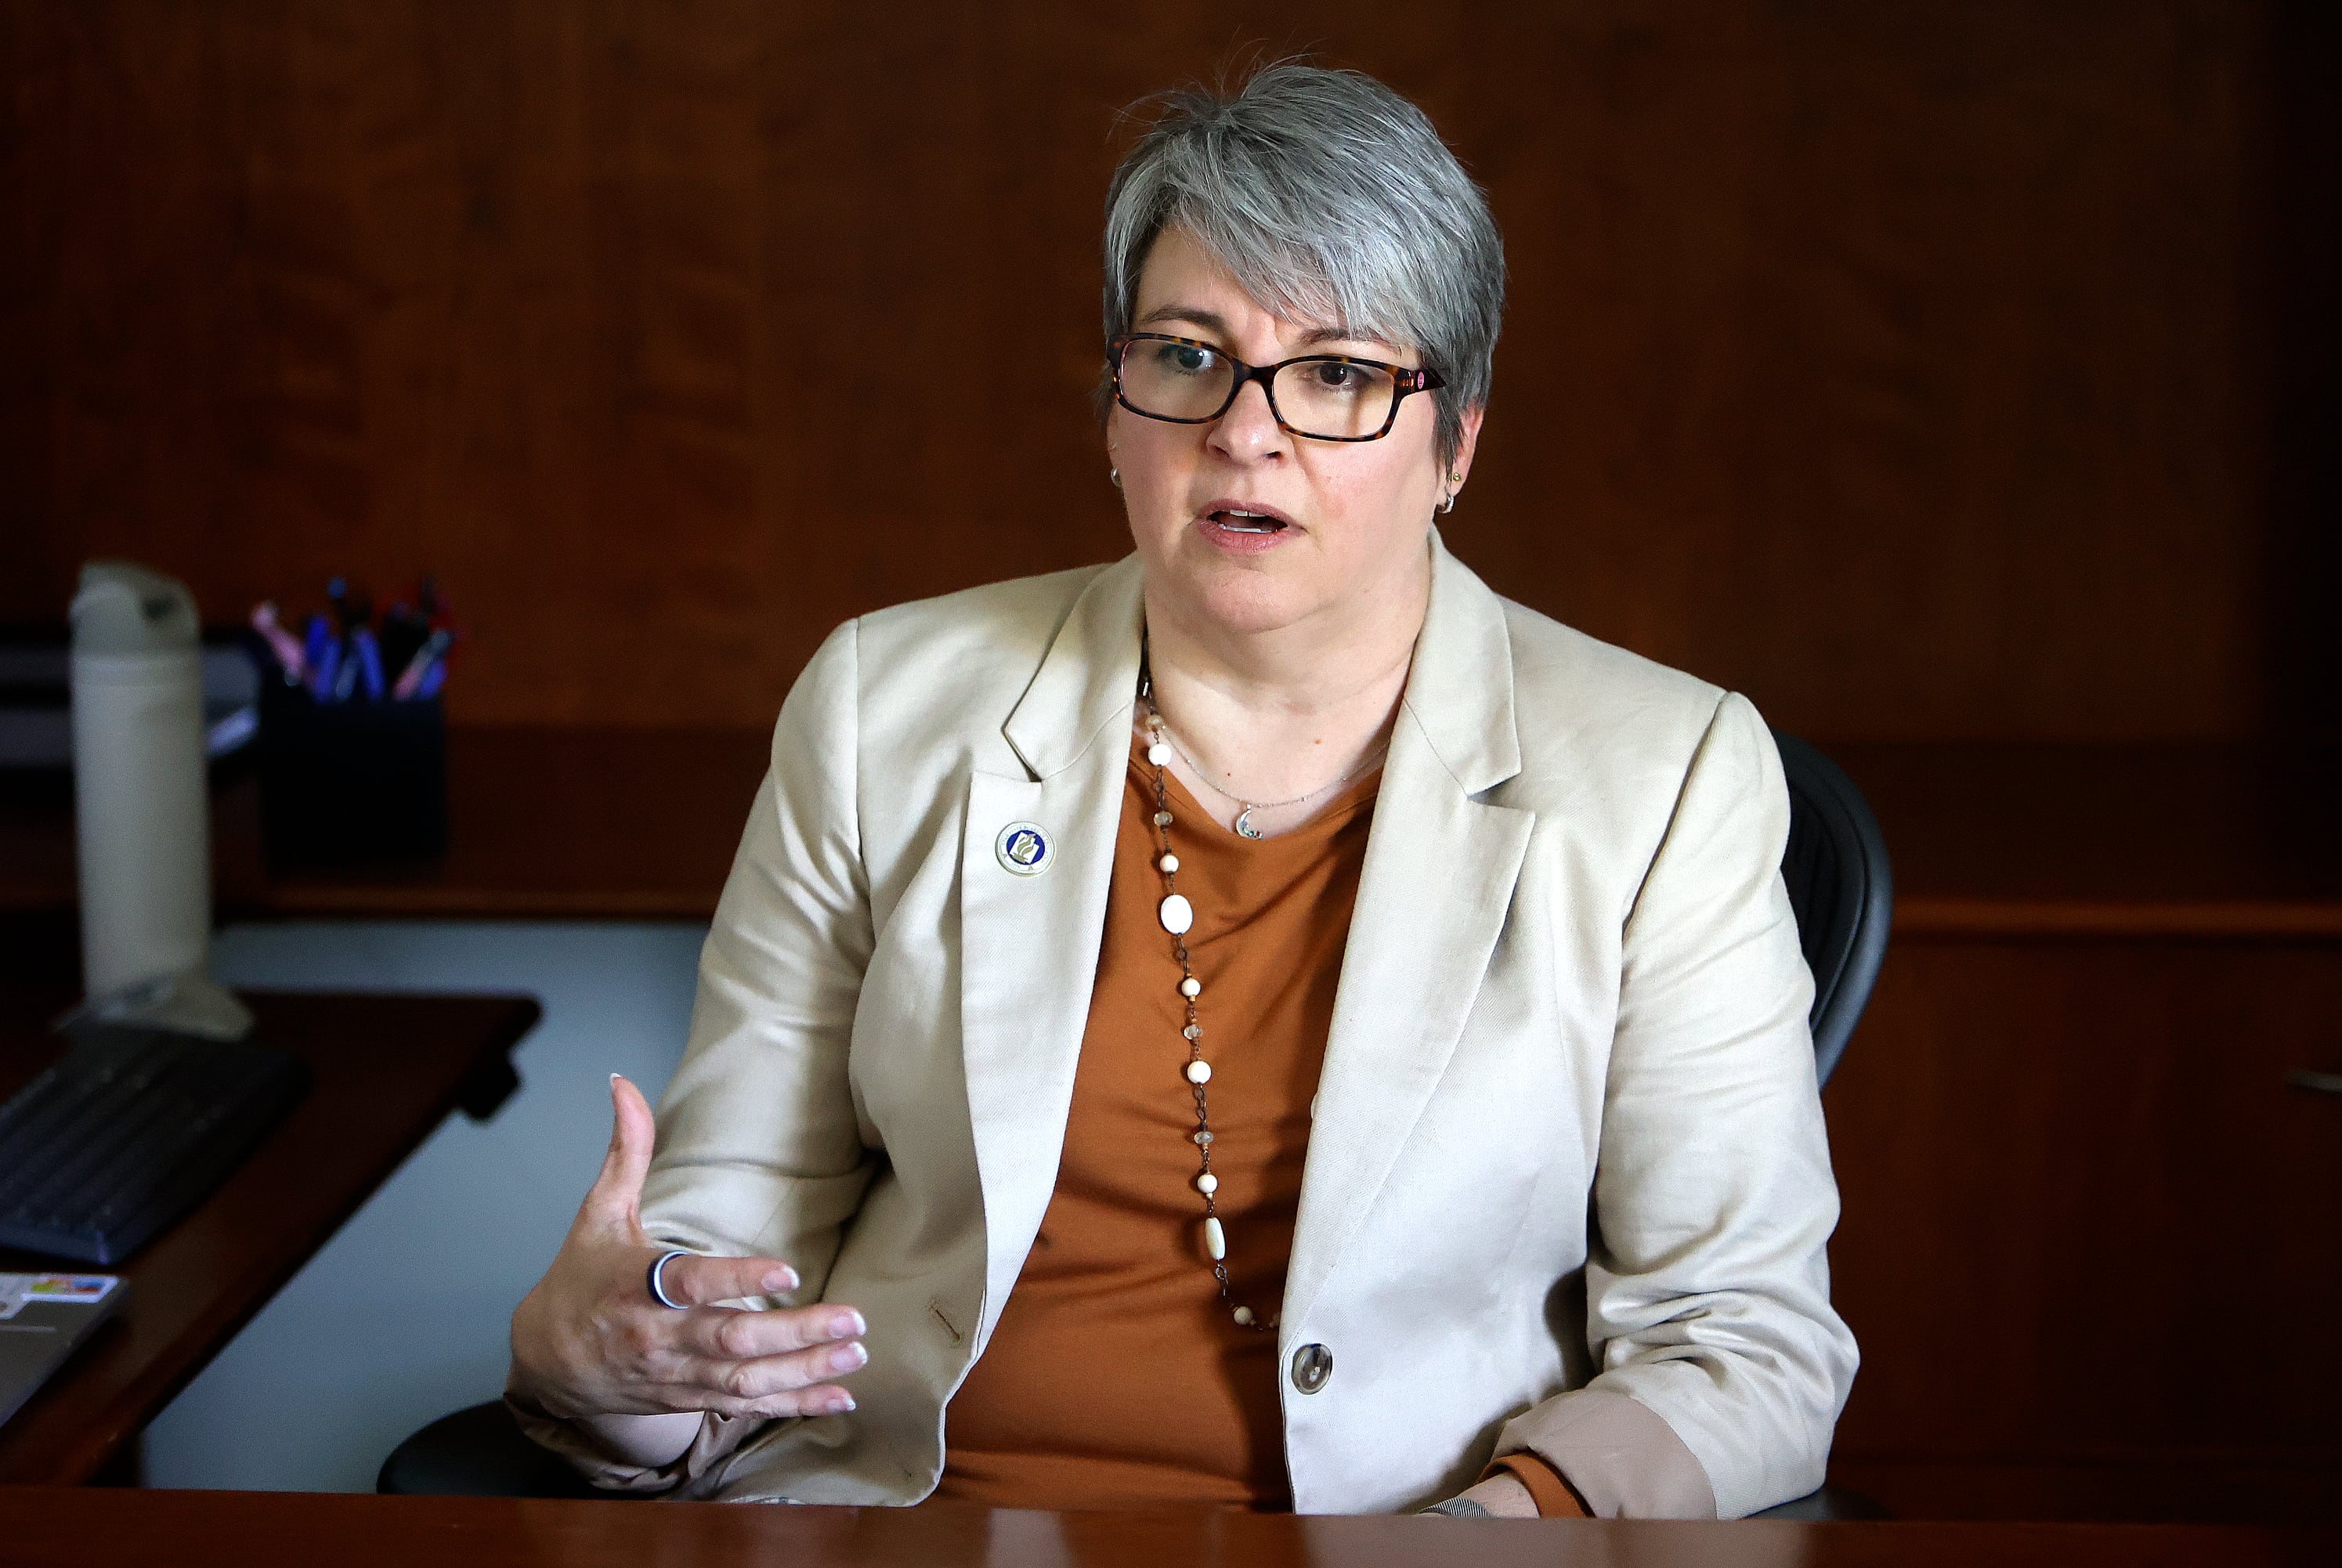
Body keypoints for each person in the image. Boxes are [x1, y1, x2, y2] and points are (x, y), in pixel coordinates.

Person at [508, 63, 1856, 1519]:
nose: (1245, 430)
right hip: (906, 1526)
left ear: (1456, 442)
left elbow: (1747, 1342)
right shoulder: (877, 711)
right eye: (1187, 356)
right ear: (1112, 409)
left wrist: (1497, 1530)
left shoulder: (1668, 774)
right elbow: (720, 1298)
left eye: (1337, 373)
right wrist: (600, 1365)